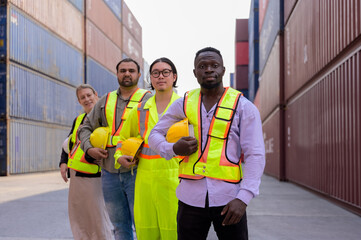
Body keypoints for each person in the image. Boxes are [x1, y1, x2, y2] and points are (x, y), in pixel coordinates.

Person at [148, 47, 265, 240]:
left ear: (223, 70)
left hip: (230, 199)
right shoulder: (184, 103)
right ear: (195, 73)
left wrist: (244, 198)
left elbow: (255, 154)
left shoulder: (243, 107)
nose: (209, 69)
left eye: (214, 65)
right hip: (190, 199)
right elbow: (155, 134)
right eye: (202, 66)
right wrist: (173, 148)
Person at [78, 58, 152, 240]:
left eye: (131, 71)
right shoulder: (105, 100)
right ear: (117, 74)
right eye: (123, 70)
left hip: (139, 171)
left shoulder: (149, 99)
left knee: (142, 225)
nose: (127, 74)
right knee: (119, 226)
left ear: (139, 75)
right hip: (110, 173)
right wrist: (89, 149)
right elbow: (84, 128)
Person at [114, 57, 181, 239]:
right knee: (147, 232)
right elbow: (122, 138)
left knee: (175, 232)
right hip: (145, 181)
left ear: (174, 76)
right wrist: (119, 156)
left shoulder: (186, 108)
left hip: (176, 180)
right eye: (155, 73)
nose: (161, 76)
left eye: (166, 72)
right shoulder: (140, 110)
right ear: (150, 78)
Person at [59, 84, 113, 240]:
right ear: (78, 101)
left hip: (96, 176)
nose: (87, 99)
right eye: (82, 97)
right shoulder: (79, 119)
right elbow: (69, 142)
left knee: (98, 219)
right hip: (76, 175)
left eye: (89, 95)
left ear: (96, 94)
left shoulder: (106, 118)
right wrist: (63, 162)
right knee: (79, 218)